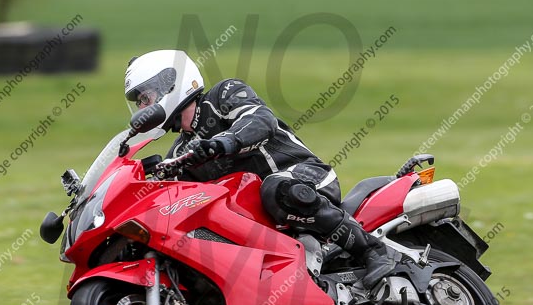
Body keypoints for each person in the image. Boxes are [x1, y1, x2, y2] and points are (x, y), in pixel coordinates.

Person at [124, 50, 394, 290]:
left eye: (145, 98)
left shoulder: (223, 95)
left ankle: (373, 251)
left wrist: (223, 143)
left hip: (305, 178)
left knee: (276, 189)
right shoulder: (181, 152)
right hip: (259, 218)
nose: (142, 108)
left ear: (171, 84)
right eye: (139, 103)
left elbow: (260, 120)